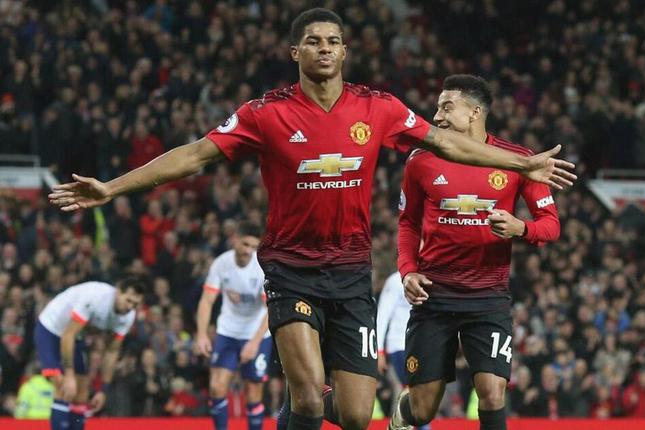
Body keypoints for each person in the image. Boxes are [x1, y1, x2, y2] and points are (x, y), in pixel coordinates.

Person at [49, 9, 575, 430]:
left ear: (345, 52)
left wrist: (522, 163)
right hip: (291, 269)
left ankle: (302, 399)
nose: (324, 48)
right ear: (295, 52)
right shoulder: (265, 113)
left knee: (355, 416)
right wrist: (112, 187)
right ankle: (299, 396)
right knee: (306, 396)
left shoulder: (378, 108)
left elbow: (446, 142)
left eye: (333, 41)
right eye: (313, 41)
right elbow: (195, 154)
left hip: (351, 274)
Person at [388, 74, 561, 430]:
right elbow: (408, 224)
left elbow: (551, 225)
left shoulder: (518, 161)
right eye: (437, 107)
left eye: (446, 107)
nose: (437, 116)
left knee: (493, 394)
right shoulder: (421, 160)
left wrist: (520, 228)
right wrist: (407, 271)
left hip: (488, 298)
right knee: (422, 410)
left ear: (475, 112)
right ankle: (402, 416)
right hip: (434, 296)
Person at [34, 277, 145, 430]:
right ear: (118, 292)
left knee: (82, 394)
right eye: (128, 300)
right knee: (63, 386)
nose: (130, 307)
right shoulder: (95, 298)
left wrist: (104, 389)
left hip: (75, 337)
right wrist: (69, 374)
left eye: (135, 304)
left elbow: (111, 352)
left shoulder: (128, 317)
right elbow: (68, 335)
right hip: (51, 330)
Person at [194, 221, 269, 430]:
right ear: (235, 239)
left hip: (257, 333)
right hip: (227, 331)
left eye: (254, 247)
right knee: (216, 387)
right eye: (245, 244)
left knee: (253, 393)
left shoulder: (261, 266)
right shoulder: (221, 263)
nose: (249, 251)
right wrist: (201, 334)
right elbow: (207, 300)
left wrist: (254, 343)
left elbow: (271, 309)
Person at [376, 272, 428, 430]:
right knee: (415, 392)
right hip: (400, 344)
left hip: (423, 345)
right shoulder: (395, 280)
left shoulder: (429, 277)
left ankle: (402, 424)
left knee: (421, 393)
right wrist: (379, 350)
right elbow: (382, 314)